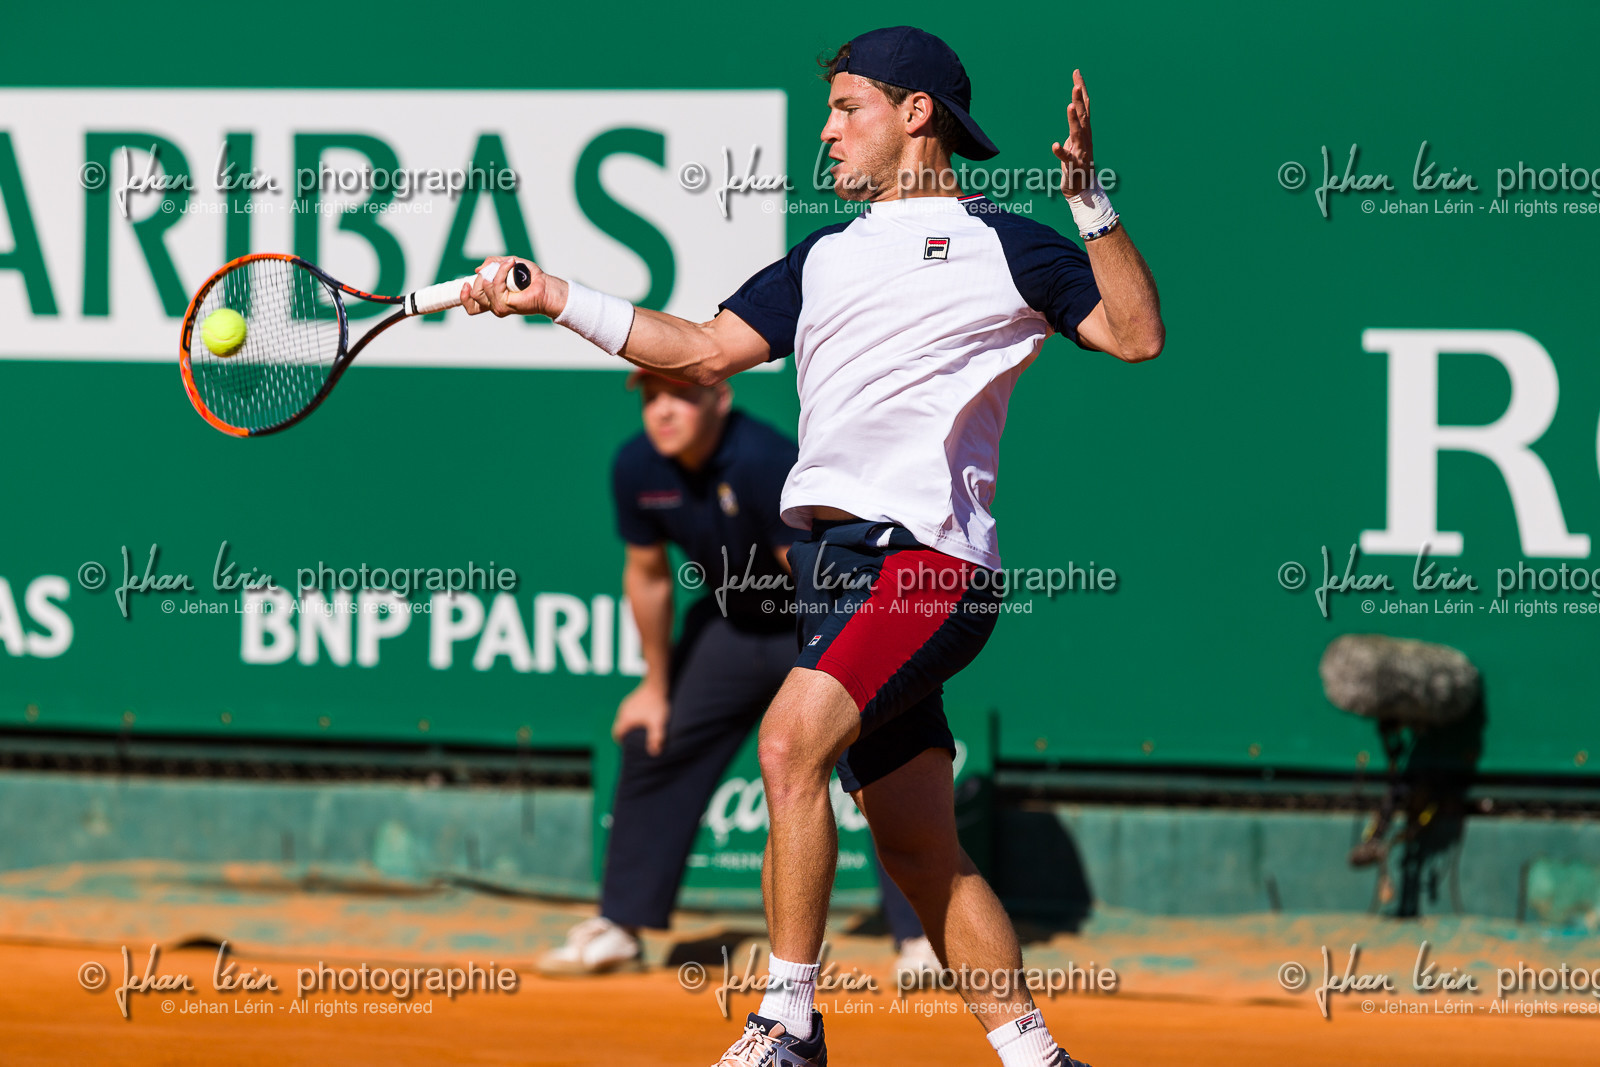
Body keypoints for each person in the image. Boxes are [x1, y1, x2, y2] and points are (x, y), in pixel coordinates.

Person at [462, 25, 1163, 1067]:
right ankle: (1034, 1054)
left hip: (926, 563)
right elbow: (703, 350)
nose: (826, 131)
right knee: (920, 847)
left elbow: (1135, 334)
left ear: (915, 113)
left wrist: (1090, 204)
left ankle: (788, 1021)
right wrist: (556, 296)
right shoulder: (822, 256)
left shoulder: (1008, 244)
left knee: (790, 743)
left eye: (846, 108)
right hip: (836, 578)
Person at [537, 369, 938, 978]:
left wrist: (841, 668)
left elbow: (811, 572)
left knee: (877, 757)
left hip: (812, 619)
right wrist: (654, 686)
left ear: (719, 397)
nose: (662, 410)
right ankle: (620, 925)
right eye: (651, 397)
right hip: (729, 626)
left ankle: (920, 936)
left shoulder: (763, 460)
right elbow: (647, 576)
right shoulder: (637, 466)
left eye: (679, 395)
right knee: (654, 736)